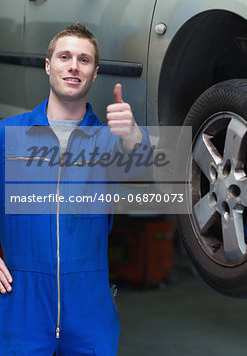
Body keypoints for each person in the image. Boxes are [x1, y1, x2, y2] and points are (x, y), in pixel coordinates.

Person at [0, 23, 149, 355]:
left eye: (84, 60)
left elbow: (141, 160)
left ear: (94, 74)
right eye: (64, 56)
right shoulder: (7, 134)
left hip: (89, 307)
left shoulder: (108, 141)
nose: (73, 66)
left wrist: (132, 133)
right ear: (47, 65)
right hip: (19, 303)